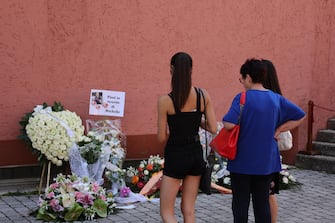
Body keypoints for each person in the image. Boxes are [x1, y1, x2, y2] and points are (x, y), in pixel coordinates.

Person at [222, 58, 305, 222]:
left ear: (249, 78)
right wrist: (280, 129)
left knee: (240, 203)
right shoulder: (276, 98)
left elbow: (228, 124)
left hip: (242, 160)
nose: (242, 81)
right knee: (262, 203)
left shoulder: (242, 98)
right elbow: (300, 115)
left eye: (242, 78)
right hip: (266, 161)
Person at [157, 52, 217, 223]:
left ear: (171, 70)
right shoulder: (202, 95)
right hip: (196, 154)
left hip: (176, 154)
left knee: (167, 212)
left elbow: (161, 138)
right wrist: (195, 121)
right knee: (188, 210)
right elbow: (213, 128)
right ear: (191, 70)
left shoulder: (165, 101)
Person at [262, 59, 283, 223]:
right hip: (267, 153)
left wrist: (279, 130)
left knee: (268, 195)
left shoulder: (273, 99)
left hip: (268, 154)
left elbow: (298, 116)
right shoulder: (274, 97)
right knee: (266, 195)